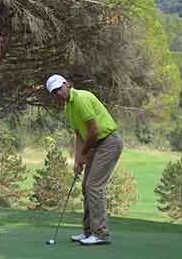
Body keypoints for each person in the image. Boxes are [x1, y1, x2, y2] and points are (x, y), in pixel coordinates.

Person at [45, 74, 123, 246]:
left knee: (94, 186)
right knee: (86, 186)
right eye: (54, 92)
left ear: (66, 84)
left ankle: (100, 234)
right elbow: (79, 135)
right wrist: (78, 160)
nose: (58, 93)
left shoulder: (80, 98)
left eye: (59, 89)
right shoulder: (68, 108)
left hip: (108, 142)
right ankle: (88, 231)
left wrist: (85, 153)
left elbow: (93, 131)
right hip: (96, 144)